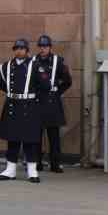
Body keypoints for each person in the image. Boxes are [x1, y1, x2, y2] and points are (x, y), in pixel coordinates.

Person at [0, 38, 48, 182]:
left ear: (27, 50)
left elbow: (45, 86)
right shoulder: (6, 66)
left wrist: (35, 102)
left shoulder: (35, 65)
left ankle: (32, 171)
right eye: (17, 48)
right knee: (12, 140)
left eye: (22, 48)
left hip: (29, 106)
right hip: (12, 104)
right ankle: (10, 169)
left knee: (30, 141)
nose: (19, 51)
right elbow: (1, 84)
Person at [34, 35, 73, 173]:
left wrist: (57, 92)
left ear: (50, 47)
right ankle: (36, 163)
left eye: (45, 46)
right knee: (35, 136)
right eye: (41, 46)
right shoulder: (33, 61)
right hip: (37, 101)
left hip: (52, 102)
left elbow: (67, 80)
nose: (43, 49)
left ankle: (55, 164)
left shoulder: (58, 61)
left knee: (54, 136)